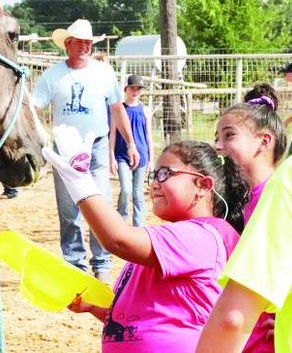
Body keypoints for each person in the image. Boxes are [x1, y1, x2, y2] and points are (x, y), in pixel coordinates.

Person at [43, 126, 249, 352]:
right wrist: (94, 307)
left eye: (165, 174)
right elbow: (135, 319)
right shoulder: (169, 241)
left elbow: (117, 240)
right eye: (154, 174)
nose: (154, 184)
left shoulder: (201, 237)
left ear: (203, 185)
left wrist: (80, 182)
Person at [31, 19, 140, 282]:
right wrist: (41, 139)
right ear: (67, 44)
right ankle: (75, 264)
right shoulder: (53, 75)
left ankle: (101, 262)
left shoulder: (103, 73)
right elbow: (33, 107)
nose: (84, 46)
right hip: (66, 149)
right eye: (79, 41)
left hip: (97, 145)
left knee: (100, 203)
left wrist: (131, 141)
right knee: (69, 209)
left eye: (88, 42)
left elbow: (116, 109)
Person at [197, 89, 291, 352]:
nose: (218, 146)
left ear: (264, 141)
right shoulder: (240, 202)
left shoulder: (279, 191)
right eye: (217, 138)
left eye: (229, 135)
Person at [110, 74, 153, 227]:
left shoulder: (145, 110)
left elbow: (148, 136)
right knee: (126, 190)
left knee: (138, 193)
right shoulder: (118, 110)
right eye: (132, 88)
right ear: (126, 89)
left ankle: (138, 226)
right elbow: (113, 134)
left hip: (141, 156)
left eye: (138, 89)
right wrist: (111, 157)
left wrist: (150, 159)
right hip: (122, 155)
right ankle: (121, 222)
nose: (135, 91)